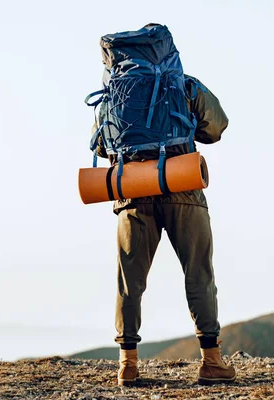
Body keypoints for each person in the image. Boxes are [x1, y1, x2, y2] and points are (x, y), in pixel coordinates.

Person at [93, 74, 236, 386]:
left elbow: (102, 144)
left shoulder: (115, 93)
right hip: (182, 184)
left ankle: (127, 366)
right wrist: (180, 134)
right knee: (198, 273)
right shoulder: (182, 83)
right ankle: (211, 362)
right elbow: (216, 126)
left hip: (132, 191)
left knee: (129, 281)